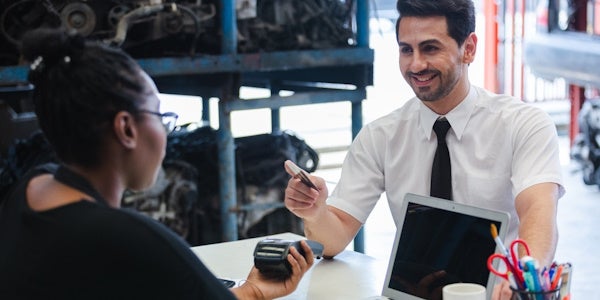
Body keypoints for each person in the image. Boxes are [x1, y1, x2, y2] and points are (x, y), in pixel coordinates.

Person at [0, 27, 314, 300]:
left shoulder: (31, 189)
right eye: (159, 115)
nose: (164, 131)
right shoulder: (130, 238)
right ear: (126, 129)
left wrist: (253, 291)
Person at [283, 0, 564, 299]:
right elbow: (333, 239)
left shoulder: (523, 124)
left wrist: (522, 275)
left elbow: (537, 211)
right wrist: (315, 212)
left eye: (430, 48)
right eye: (406, 49)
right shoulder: (381, 136)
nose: (415, 65)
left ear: (468, 48)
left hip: (498, 291)